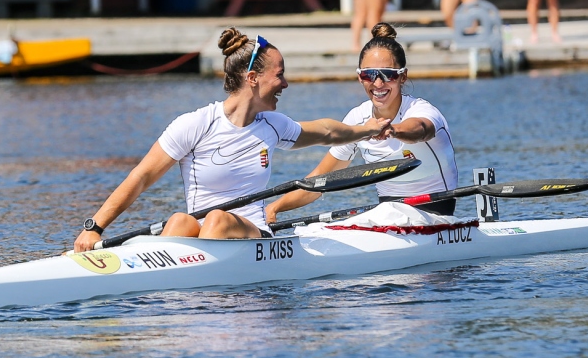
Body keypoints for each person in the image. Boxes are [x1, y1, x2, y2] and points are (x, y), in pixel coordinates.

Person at [73, 28, 392, 253]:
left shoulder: (272, 125)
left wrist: (367, 129)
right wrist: (94, 228)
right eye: (279, 75)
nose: (285, 83)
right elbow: (141, 177)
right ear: (253, 79)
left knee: (216, 219)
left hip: (253, 236)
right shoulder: (194, 125)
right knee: (181, 220)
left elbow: (327, 131)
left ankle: (181, 284)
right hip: (200, 233)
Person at [266, 22, 459, 225]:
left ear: (403, 76)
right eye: (369, 75)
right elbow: (319, 181)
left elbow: (420, 130)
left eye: (388, 75)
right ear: (360, 77)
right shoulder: (357, 119)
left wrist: (392, 130)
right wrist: (275, 207)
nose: (377, 84)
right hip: (389, 219)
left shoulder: (422, 111)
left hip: (437, 219)